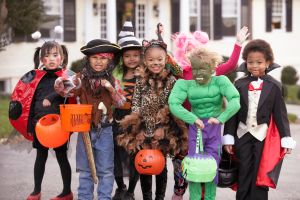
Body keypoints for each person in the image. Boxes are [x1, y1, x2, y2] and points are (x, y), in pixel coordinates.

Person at [171, 26, 249, 200]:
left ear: (212, 67)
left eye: (203, 69)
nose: (198, 74)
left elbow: (235, 101)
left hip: (213, 130)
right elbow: (173, 103)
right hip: (195, 129)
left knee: (211, 169)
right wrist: (192, 118)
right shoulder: (186, 83)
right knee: (195, 168)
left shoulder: (219, 81)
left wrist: (220, 118)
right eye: (195, 69)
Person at [223, 39, 297, 200]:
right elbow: (232, 113)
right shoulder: (239, 84)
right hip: (242, 135)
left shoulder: (275, 86)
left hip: (262, 137)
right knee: (243, 171)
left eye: (259, 62)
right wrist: (228, 137)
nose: (254, 65)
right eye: (250, 62)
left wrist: (286, 138)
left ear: (268, 62)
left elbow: (280, 115)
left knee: (260, 174)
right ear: (245, 62)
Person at [116, 37, 188, 200]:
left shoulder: (171, 80)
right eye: (151, 60)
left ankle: (160, 197)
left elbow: (172, 104)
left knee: (160, 165)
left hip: (163, 128)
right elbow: (135, 102)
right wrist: (137, 127)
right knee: (145, 164)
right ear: (145, 61)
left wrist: (163, 127)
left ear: (165, 59)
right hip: (144, 127)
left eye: (159, 59)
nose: (155, 63)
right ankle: (147, 197)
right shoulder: (141, 79)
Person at [55, 39, 125, 200]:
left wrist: (110, 88)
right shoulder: (81, 78)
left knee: (106, 170)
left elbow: (121, 102)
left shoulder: (113, 80)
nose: (98, 62)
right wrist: (62, 82)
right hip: (84, 130)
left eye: (103, 58)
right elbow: (64, 91)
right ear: (88, 59)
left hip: (105, 130)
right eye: (95, 58)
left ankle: (104, 198)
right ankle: (85, 197)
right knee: (85, 170)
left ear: (109, 60)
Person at [9, 40, 72, 200]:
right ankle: (36, 191)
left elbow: (69, 93)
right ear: (41, 59)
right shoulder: (36, 78)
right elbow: (29, 101)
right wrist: (30, 124)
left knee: (61, 157)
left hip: (59, 126)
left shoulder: (65, 77)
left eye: (55, 55)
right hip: (39, 125)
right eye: (46, 56)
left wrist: (52, 97)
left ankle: (66, 192)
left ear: (62, 57)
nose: (51, 59)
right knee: (40, 157)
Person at [112, 21, 142, 200]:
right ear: (122, 58)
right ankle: (120, 187)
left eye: (136, 55)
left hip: (136, 117)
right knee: (116, 153)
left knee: (134, 154)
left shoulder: (144, 74)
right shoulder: (116, 74)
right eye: (128, 55)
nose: (132, 59)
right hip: (117, 117)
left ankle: (131, 190)